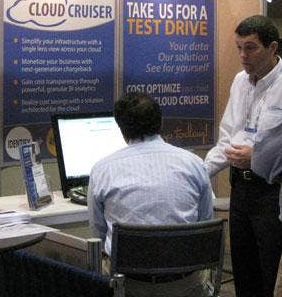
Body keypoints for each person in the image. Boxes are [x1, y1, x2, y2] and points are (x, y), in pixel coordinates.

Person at [88, 92, 213, 297]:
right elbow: (204, 223)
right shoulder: (194, 164)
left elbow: (98, 234)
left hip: (127, 286)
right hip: (185, 284)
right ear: (160, 122)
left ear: (121, 129)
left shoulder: (102, 170)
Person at [204, 14, 282, 297]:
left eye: (250, 48)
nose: (242, 56)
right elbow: (228, 137)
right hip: (240, 188)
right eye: (239, 48)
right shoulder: (240, 81)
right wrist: (198, 173)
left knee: (269, 273)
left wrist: (257, 157)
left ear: (272, 48)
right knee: (244, 273)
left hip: (272, 191)